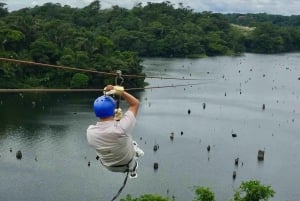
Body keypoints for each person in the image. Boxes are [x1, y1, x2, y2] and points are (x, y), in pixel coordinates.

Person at [86, 85, 144, 178]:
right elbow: (135, 104)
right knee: (132, 143)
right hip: (127, 164)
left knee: (121, 141)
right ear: (114, 111)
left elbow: (109, 130)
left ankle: (133, 165)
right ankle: (133, 167)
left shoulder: (90, 131)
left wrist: (117, 120)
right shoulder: (122, 128)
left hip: (108, 166)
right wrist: (119, 91)